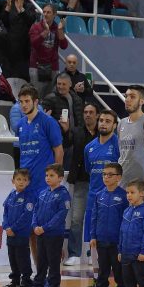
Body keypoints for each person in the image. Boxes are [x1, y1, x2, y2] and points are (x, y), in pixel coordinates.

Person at [15, 84, 63, 263]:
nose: (24, 105)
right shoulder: (20, 125)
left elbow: (59, 150)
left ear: (36, 102)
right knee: (31, 231)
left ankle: (54, 270)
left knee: (46, 231)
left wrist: (56, 180)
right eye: (21, 102)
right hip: (28, 186)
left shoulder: (48, 122)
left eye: (27, 101)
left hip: (44, 185)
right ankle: (39, 271)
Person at [80, 109, 119, 287]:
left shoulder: (118, 145)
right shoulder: (89, 147)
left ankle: (120, 283)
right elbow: (89, 170)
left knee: (114, 242)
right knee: (93, 240)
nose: (103, 123)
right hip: (94, 199)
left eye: (108, 121)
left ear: (115, 125)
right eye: (101, 120)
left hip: (114, 201)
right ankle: (98, 281)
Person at [27, 163, 71, 287]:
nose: (48, 178)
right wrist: (35, 225)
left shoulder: (63, 194)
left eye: (52, 175)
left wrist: (44, 228)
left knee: (53, 262)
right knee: (41, 261)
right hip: (40, 233)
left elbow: (60, 215)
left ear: (60, 178)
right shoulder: (43, 192)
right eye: (46, 175)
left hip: (54, 235)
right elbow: (35, 210)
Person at [63, 102, 98, 267]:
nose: (88, 115)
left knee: (97, 219)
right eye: (85, 112)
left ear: (97, 115)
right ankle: (74, 254)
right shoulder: (76, 131)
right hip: (81, 182)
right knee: (76, 219)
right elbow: (65, 144)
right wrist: (65, 131)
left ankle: (94, 253)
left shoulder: (103, 133)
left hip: (99, 183)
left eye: (91, 112)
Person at [87, 162, 127, 287]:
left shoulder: (124, 196)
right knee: (102, 270)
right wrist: (93, 236)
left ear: (118, 177)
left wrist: (123, 240)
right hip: (101, 240)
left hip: (117, 242)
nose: (106, 177)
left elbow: (126, 220)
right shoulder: (99, 195)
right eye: (104, 174)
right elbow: (94, 217)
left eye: (110, 174)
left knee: (118, 270)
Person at [1, 168, 35, 287]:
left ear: (28, 182)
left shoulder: (29, 196)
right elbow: (5, 212)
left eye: (24, 180)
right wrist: (6, 226)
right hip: (10, 233)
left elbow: (26, 216)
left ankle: (26, 281)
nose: (21, 182)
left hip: (21, 233)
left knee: (22, 258)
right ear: (13, 181)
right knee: (13, 258)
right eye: (18, 179)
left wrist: (13, 228)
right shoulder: (11, 194)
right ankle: (15, 281)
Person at [119, 84, 144, 186]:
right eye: (126, 96)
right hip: (122, 182)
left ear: (142, 101)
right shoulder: (121, 123)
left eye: (132, 97)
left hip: (141, 185)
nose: (127, 99)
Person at [28, 4, 67, 98]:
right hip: (36, 66)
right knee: (36, 96)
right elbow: (33, 43)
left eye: (48, 12)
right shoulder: (36, 27)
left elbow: (64, 46)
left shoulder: (57, 27)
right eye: (44, 12)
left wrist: (60, 31)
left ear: (54, 14)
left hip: (52, 67)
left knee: (51, 97)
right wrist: (45, 32)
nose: (45, 14)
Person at [0, 0, 36, 81]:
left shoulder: (29, 6)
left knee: (22, 71)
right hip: (9, 42)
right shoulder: (8, 5)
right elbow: (2, 22)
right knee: (8, 71)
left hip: (23, 43)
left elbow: (31, 20)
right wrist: (7, 9)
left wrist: (21, 10)